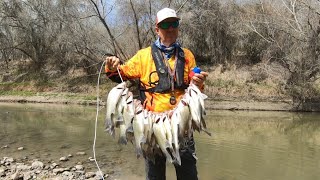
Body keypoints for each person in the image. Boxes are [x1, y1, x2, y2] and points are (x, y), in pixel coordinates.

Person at [105, 7, 208, 180]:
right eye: (165, 24)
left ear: (178, 26)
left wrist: (198, 83)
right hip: (151, 126)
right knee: (154, 175)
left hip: (181, 126)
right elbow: (118, 76)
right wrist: (112, 65)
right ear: (157, 29)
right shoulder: (143, 56)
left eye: (174, 23)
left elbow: (194, 86)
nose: (170, 28)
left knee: (188, 173)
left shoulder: (187, 55)